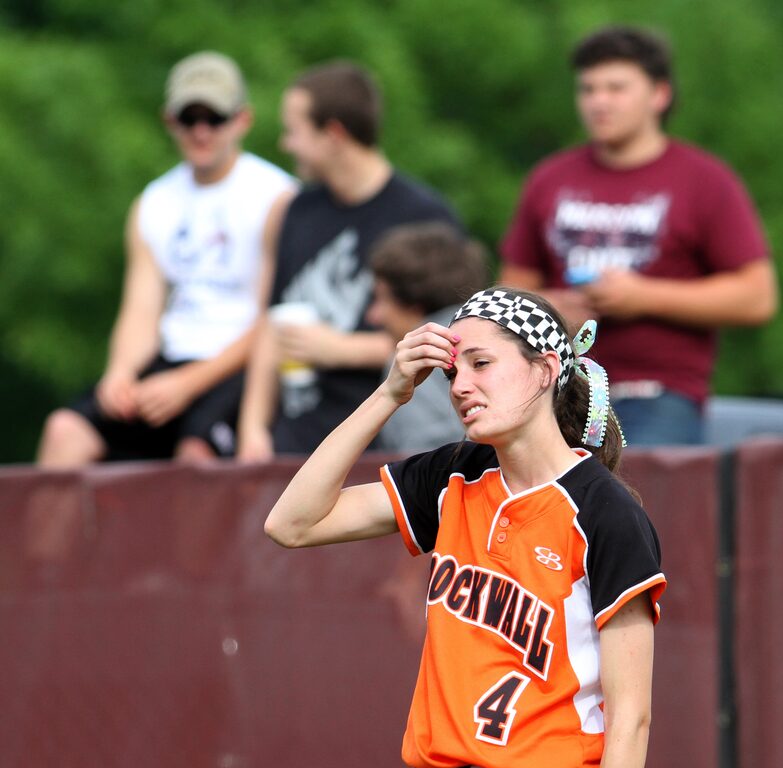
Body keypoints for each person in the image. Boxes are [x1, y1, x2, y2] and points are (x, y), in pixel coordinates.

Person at [264, 285, 666, 768]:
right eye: (452, 372)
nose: (461, 387)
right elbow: (292, 522)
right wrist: (388, 392)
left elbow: (632, 715)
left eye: (481, 364)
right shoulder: (454, 478)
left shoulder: (604, 511)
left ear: (546, 369)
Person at [500, 25, 778, 445]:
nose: (598, 102)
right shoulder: (548, 179)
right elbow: (511, 289)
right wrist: (554, 310)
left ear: (659, 94)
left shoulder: (705, 180)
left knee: (633, 504)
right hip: (551, 386)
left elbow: (757, 296)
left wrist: (641, 297)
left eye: (616, 88)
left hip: (657, 394)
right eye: (588, 89)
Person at [36, 52, 296, 466]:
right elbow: (141, 309)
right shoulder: (153, 202)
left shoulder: (276, 196)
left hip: (240, 365)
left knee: (194, 455)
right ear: (169, 121)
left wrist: (188, 383)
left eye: (214, 118)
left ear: (242, 120)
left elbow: (272, 319)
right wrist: (119, 371)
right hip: (171, 358)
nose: (201, 132)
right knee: (65, 430)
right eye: (188, 118)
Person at [236, 61, 459, 460]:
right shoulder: (296, 210)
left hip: (379, 438)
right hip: (291, 437)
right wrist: (253, 430)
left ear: (333, 134)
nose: (286, 144)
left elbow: (450, 343)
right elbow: (272, 323)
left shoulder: (424, 216)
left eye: (294, 131)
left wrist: (338, 349)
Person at [367, 221, 489, 453]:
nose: (373, 316)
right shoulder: (503, 335)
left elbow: (423, 458)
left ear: (413, 303)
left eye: (380, 299)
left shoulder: (417, 358)